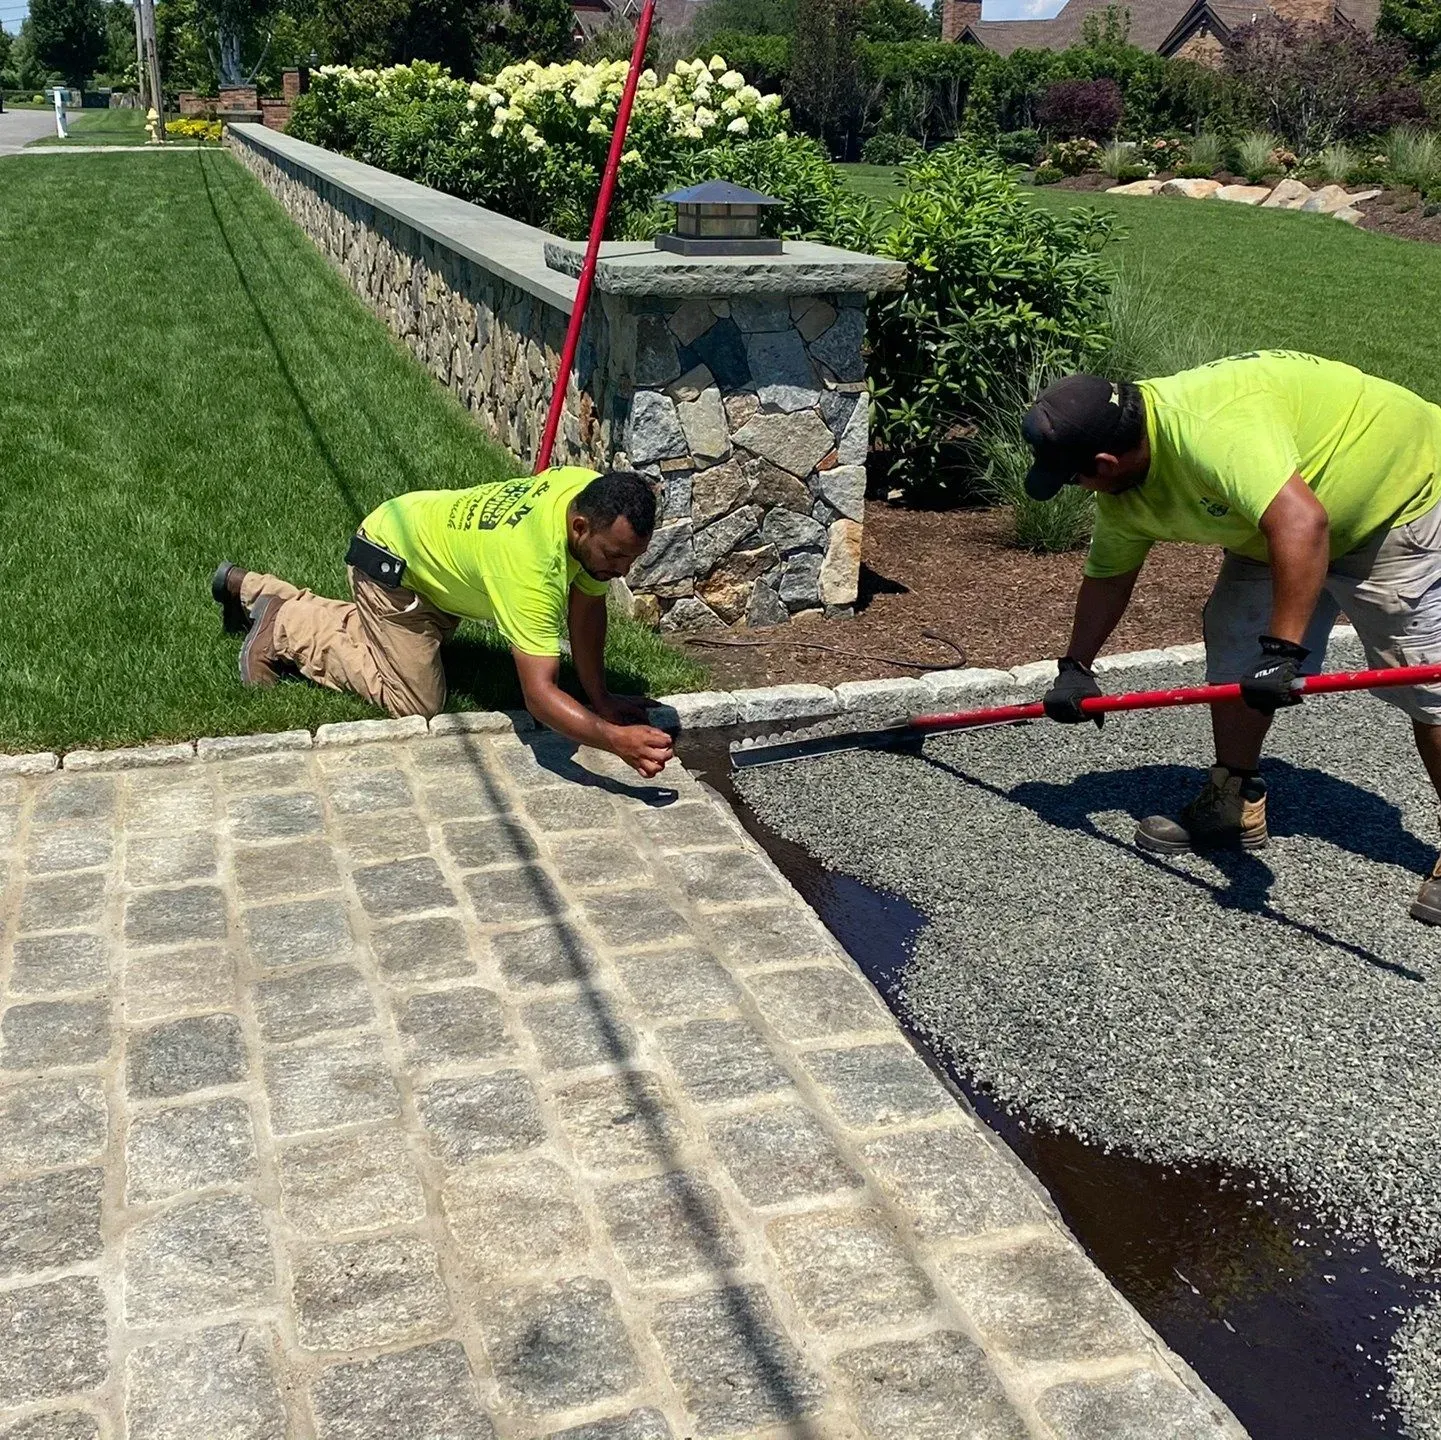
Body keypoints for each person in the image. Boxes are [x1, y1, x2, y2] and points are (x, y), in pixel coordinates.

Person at [1022, 350, 1441, 926]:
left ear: (1105, 460)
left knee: (1427, 679)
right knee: (1236, 641)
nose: (1073, 487)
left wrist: (1285, 654)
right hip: (1279, 516)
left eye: (1073, 476)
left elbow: (1303, 523)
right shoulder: (1124, 489)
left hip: (1398, 497)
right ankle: (1234, 799)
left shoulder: (1211, 432)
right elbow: (1109, 577)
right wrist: (1076, 666)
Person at [211, 466, 676, 779]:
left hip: (427, 549)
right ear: (579, 528)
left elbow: (588, 607)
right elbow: (539, 696)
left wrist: (601, 699)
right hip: (391, 564)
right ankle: (283, 624)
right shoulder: (530, 567)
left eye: (631, 559)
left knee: (385, 640)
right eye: (615, 557)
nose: (622, 572)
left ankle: (253, 588)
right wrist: (614, 739)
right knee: (416, 702)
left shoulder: (586, 491)